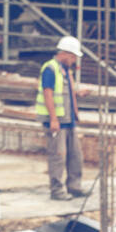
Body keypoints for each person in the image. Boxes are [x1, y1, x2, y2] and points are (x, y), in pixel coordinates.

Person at [35, 36, 84, 201]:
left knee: (75, 155)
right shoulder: (50, 69)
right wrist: (53, 119)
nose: (74, 60)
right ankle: (57, 191)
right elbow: (48, 94)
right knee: (58, 156)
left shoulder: (65, 70)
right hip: (57, 122)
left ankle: (74, 186)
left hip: (68, 120)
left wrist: (77, 101)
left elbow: (65, 93)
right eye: (73, 56)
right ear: (65, 53)